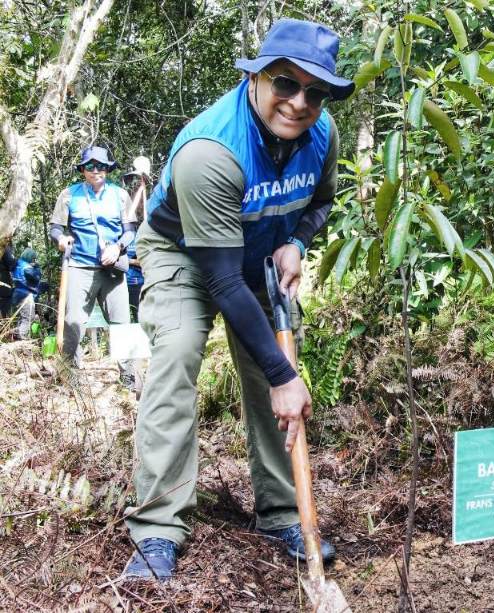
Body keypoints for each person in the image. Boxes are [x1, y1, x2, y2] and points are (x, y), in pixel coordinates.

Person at [122, 18, 354, 580]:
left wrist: (297, 241)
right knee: (179, 354)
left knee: (272, 364)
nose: (299, 103)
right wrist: (283, 376)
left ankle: (281, 513)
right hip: (186, 254)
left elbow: (319, 203)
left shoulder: (321, 138)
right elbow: (223, 283)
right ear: (255, 78)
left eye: (315, 92)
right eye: (285, 84)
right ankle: (157, 529)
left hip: (259, 252)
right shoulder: (211, 151)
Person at [49, 145, 137, 388]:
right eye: (90, 166)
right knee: (74, 321)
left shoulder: (120, 195)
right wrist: (60, 238)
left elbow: (130, 231)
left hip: (112, 269)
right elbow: (55, 227)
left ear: (108, 169)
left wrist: (117, 247)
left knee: (122, 323)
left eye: (100, 165)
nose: (95, 170)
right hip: (79, 266)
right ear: (82, 170)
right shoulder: (68, 195)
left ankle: (129, 375)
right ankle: (70, 373)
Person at [122, 156, 151, 322]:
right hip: (125, 281)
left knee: (142, 317)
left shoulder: (146, 228)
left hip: (142, 281)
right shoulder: (126, 228)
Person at [10, 247, 43, 339]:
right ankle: (22, 337)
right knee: (29, 318)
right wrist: (36, 267)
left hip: (17, 295)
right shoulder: (27, 267)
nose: (34, 260)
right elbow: (36, 277)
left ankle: (15, 335)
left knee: (23, 318)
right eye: (33, 259)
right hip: (26, 296)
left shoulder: (17, 264)